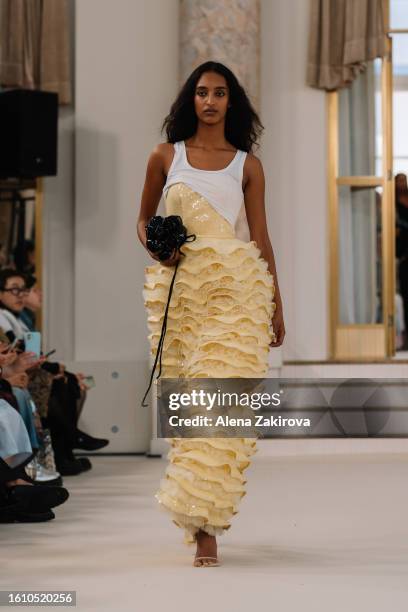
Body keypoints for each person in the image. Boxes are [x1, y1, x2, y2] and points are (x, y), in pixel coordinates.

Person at [138, 61, 285, 567]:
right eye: (202, 92)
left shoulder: (247, 164)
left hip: (237, 290)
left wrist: (276, 306)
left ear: (231, 102)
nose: (210, 101)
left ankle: (207, 529)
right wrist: (159, 248)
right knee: (187, 400)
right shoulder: (165, 157)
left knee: (220, 396)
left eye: (220, 93)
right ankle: (197, 516)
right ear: (190, 99)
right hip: (180, 293)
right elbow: (143, 220)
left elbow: (261, 239)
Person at [396, 173, 408, 349]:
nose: (402, 183)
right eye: (398, 181)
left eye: (404, 180)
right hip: (403, 256)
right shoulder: (392, 204)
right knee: (405, 297)